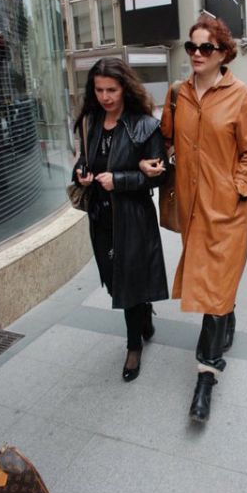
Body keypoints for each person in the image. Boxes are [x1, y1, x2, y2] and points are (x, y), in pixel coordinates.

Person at [143, 14, 247, 423]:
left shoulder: (240, 96)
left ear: (223, 53)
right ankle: (227, 311)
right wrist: (155, 160)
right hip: (192, 207)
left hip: (227, 211)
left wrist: (238, 189)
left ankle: (205, 378)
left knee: (215, 286)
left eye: (205, 47)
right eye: (191, 46)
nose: (196, 53)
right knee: (217, 284)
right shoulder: (177, 93)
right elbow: (165, 137)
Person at [72, 57, 169, 383]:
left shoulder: (144, 125)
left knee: (127, 282)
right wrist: (81, 173)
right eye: (99, 90)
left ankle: (133, 347)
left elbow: (159, 176)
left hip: (133, 218)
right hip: (101, 216)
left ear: (124, 88)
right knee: (114, 280)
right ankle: (144, 310)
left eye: (111, 90)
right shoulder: (91, 121)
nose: (105, 97)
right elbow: (84, 160)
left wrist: (120, 180)